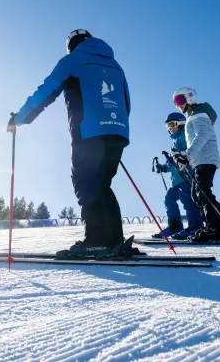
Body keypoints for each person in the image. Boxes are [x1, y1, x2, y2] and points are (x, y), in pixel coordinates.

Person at [7, 29, 131, 256]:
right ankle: (114, 241)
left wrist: (20, 118)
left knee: (86, 183)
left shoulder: (72, 61)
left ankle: (98, 241)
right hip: (118, 132)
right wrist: (113, 128)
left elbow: (47, 90)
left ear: (71, 45)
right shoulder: (116, 66)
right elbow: (126, 102)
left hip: (89, 133)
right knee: (103, 185)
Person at [171, 87, 220, 241]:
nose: (178, 105)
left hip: (206, 159)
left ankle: (217, 229)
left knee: (203, 193)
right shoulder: (193, 115)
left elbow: (201, 136)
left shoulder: (199, 114)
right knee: (197, 194)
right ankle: (211, 226)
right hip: (200, 160)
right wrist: (186, 157)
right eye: (175, 102)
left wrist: (188, 153)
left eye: (179, 100)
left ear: (189, 98)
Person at [152, 113, 204, 239]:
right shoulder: (174, 141)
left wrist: (177, 157)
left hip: (185, 177)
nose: (169, 128)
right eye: (167, 126)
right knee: (169, 199)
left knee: (188, 202)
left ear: (180, 123)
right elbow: (173, 164)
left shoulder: (185, 136)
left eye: (172, 124)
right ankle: (174, 226)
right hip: (175, 180)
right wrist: (163, 167)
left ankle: (195, 227)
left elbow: (189, 153)